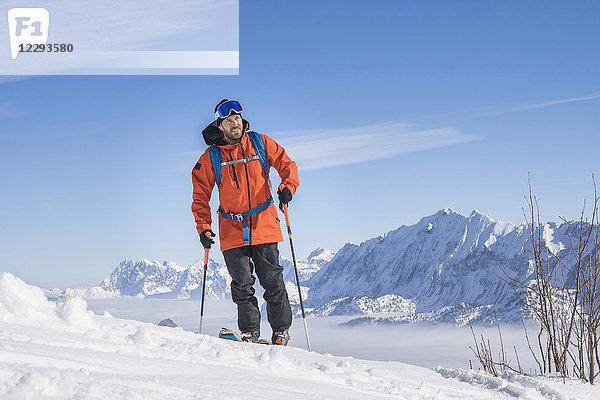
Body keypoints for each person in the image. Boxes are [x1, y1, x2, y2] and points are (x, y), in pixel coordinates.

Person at [191, 99, 299, 345]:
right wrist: (204, 227)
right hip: (231, 230)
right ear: (220, 126)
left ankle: (281, 331)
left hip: (264, 224)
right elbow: (200, 196)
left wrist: (288, 186)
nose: (234, 122)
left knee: (273, 281)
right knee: (242, 285)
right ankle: (250, 332)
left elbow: (287, 164)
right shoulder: (211, 157)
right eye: (228, 120)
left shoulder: (260, 143)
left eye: (237, 118)